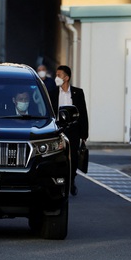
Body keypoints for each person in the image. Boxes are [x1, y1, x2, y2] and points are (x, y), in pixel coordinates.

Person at [49, 65, 89, 196]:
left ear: (66, 77)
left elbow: (83, 113)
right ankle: (60, 182)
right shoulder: (52, 93)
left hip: (73, 130)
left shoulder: (78, 93)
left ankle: (71, 181)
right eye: (56, 74)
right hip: (58, 130)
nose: (57, 77)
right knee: (58, 157)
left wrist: (84, 134)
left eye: (59, 75)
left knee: (73, 158)